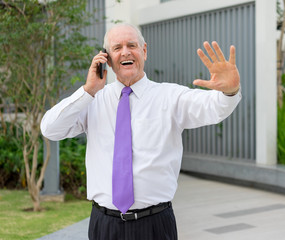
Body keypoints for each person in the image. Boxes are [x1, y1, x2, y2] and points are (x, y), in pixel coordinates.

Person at [41, 23, 241, 240]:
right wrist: (88, 90)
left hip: (155, 225)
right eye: (117, 48)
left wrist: (229, 92)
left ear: (144, 51)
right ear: (106, 58)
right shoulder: (93, 101)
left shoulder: (170, 97)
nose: (126, 52)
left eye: (132, 45)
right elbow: (50, 128)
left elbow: (213, 107)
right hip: (104, 225)